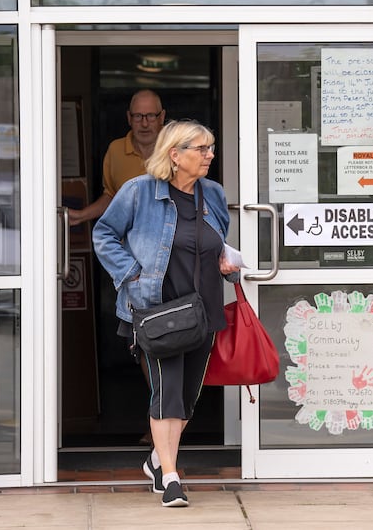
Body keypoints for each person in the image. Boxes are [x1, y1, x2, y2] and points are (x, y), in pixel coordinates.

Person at [92, 120, 240, 508]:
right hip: (156, 311)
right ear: (175, 155)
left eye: (211, 148)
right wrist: (130, 274)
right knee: (166, 391)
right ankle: (171, 477)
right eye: (201, 149)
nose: (210, 155)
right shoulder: (140, 192)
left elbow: (217, 242)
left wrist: (225, 262)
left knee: (188, 398)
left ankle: (157, 459)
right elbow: (103, 234)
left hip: (203, 310)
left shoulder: (214, 194)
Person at [68, 89, 165, 226]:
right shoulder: (116, 150)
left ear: (161, 117)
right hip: (125, 244)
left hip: (167, 244)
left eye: (150, 116)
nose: (144, 124)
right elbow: (112, 197)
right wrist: (81, 216)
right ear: (129, 118)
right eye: (138, 116)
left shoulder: (177, 150)